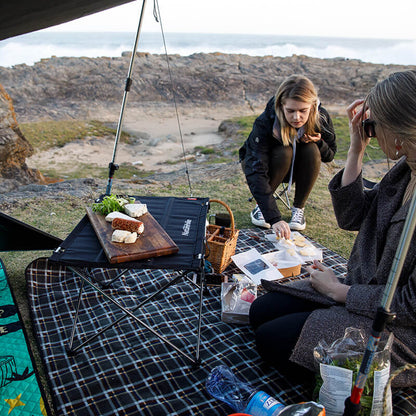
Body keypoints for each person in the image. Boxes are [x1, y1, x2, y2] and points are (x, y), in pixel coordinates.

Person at [249, 70, 416, 388]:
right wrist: (356, 150)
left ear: (399, 132)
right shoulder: (405, 170)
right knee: (260, 311)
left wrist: (340, 292)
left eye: (373, 125)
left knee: (271, 340)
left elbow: (410, 305)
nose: (370, 131)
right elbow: (352, 217)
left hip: (398, 328)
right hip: (363, 292)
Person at [239, 74, 336, 237]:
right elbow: (255, 167)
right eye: (290, 111)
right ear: (281, 106)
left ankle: (298, 209)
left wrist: (319, 142)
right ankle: (260, 208)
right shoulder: (266, 121)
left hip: (300, 169)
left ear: (312, 106)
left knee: (311, 149)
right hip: (270, 166)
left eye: (303, 111)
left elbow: (330, 155)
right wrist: (274, 217)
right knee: (284, 151)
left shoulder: (322, 117)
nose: (296, 117)